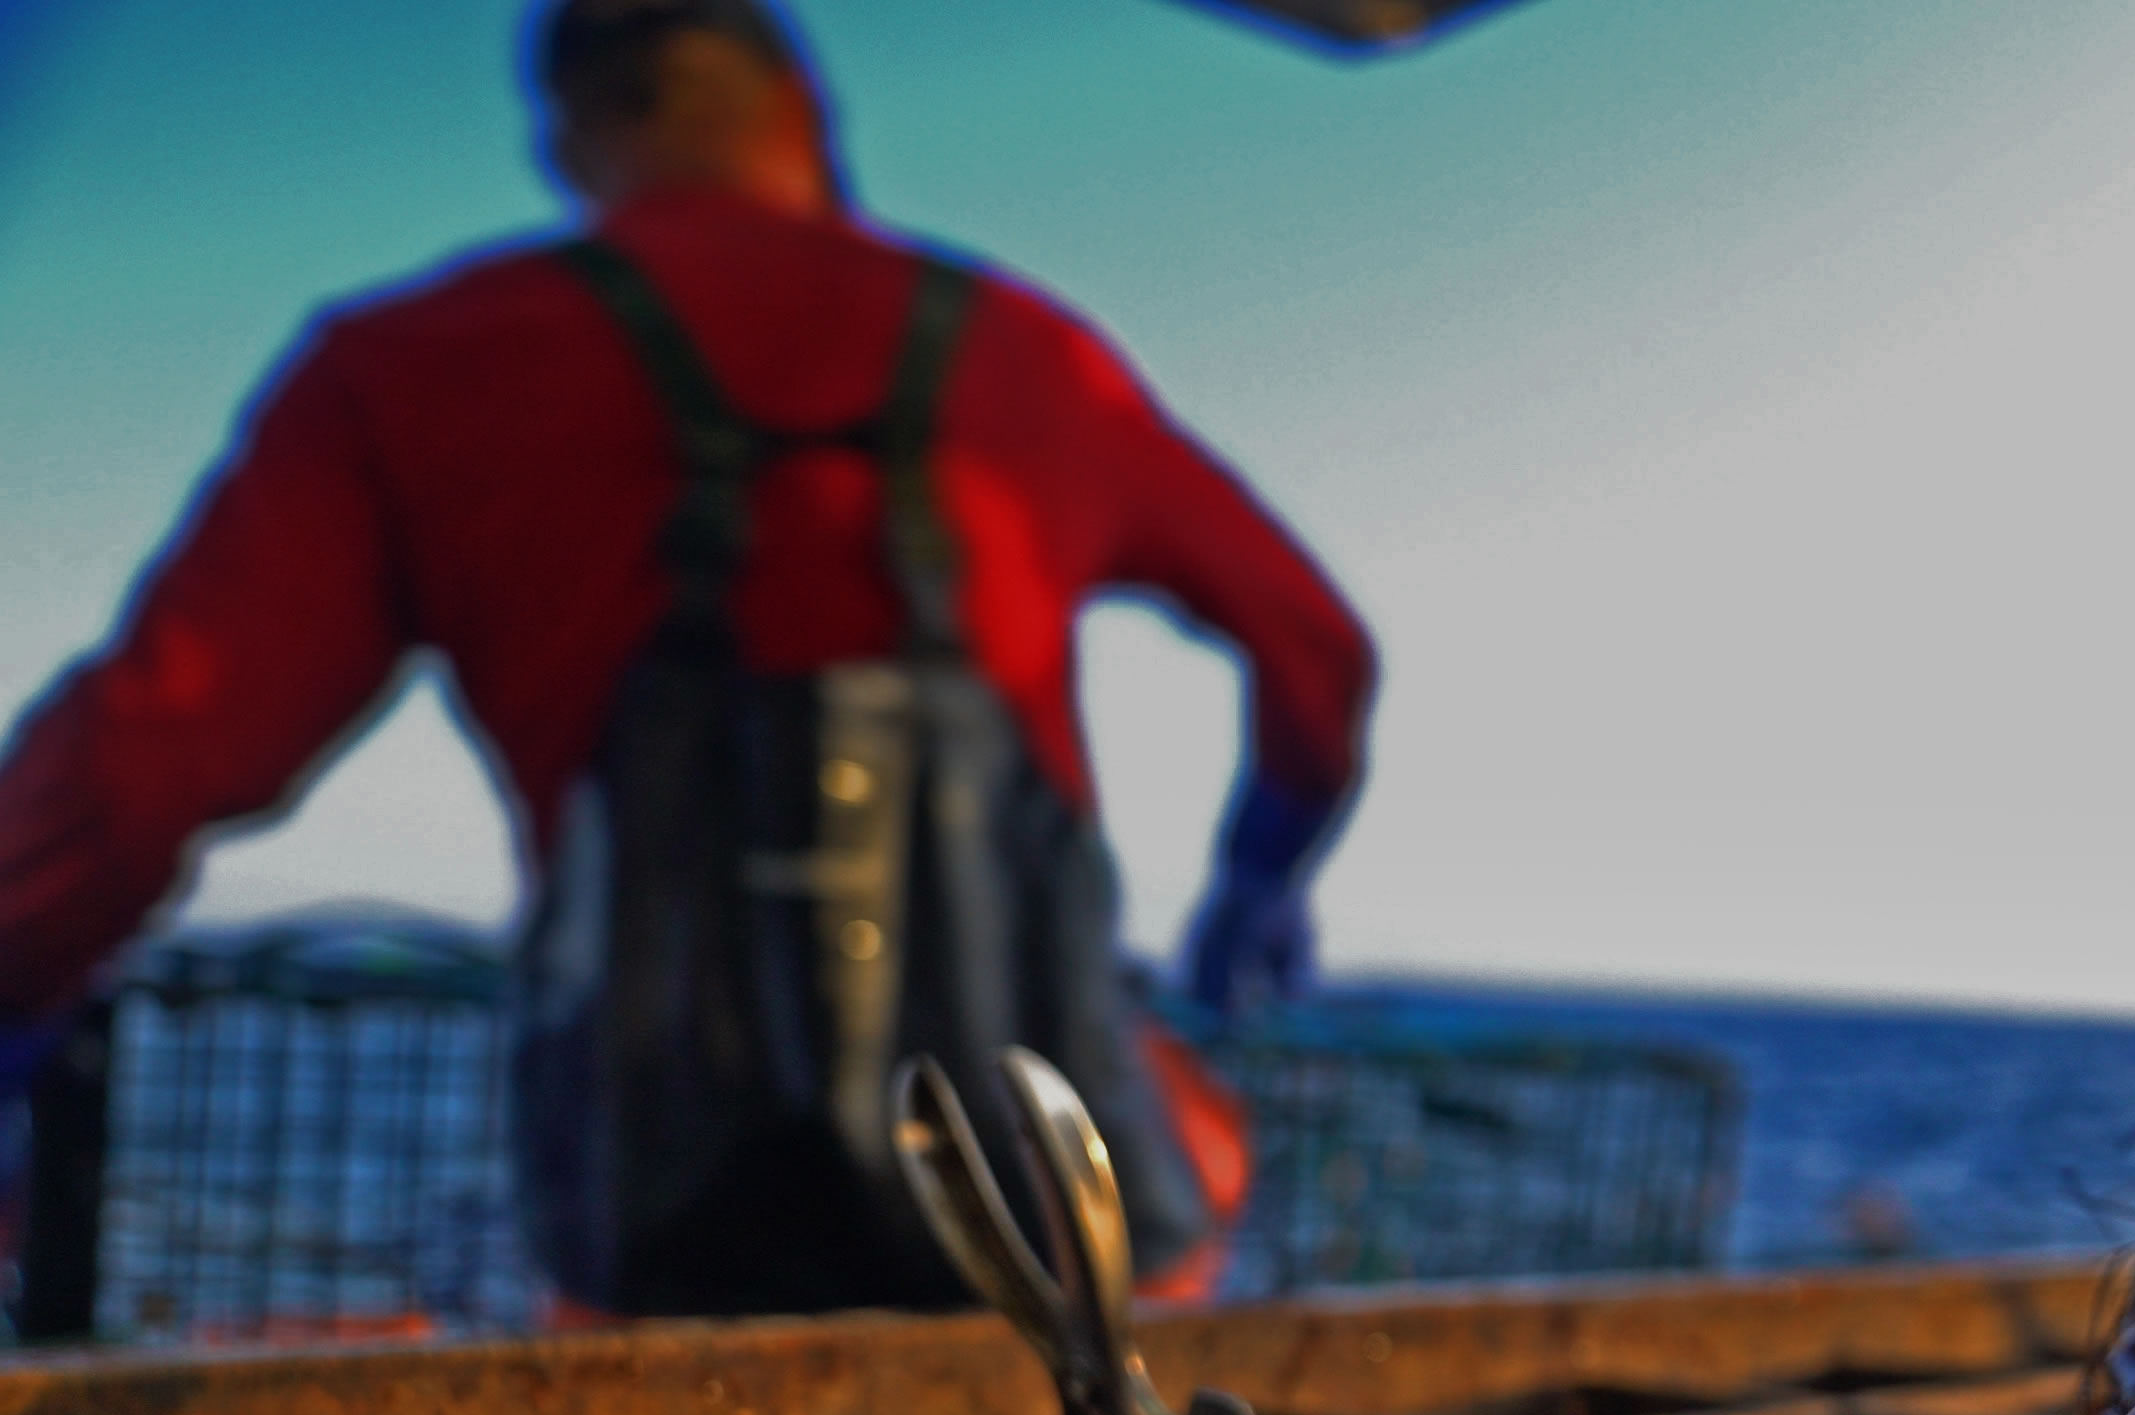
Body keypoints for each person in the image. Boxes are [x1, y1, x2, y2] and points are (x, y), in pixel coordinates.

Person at [0, 0, 1372, 1320]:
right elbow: (1319, 658)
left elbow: (139, 767)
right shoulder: (1033, 355)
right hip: (1056, 1227)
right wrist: (1260, 882)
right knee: (1194, 1153)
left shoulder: (407, 369)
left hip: (665, 1223)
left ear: (569, 140)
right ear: (807, 110)